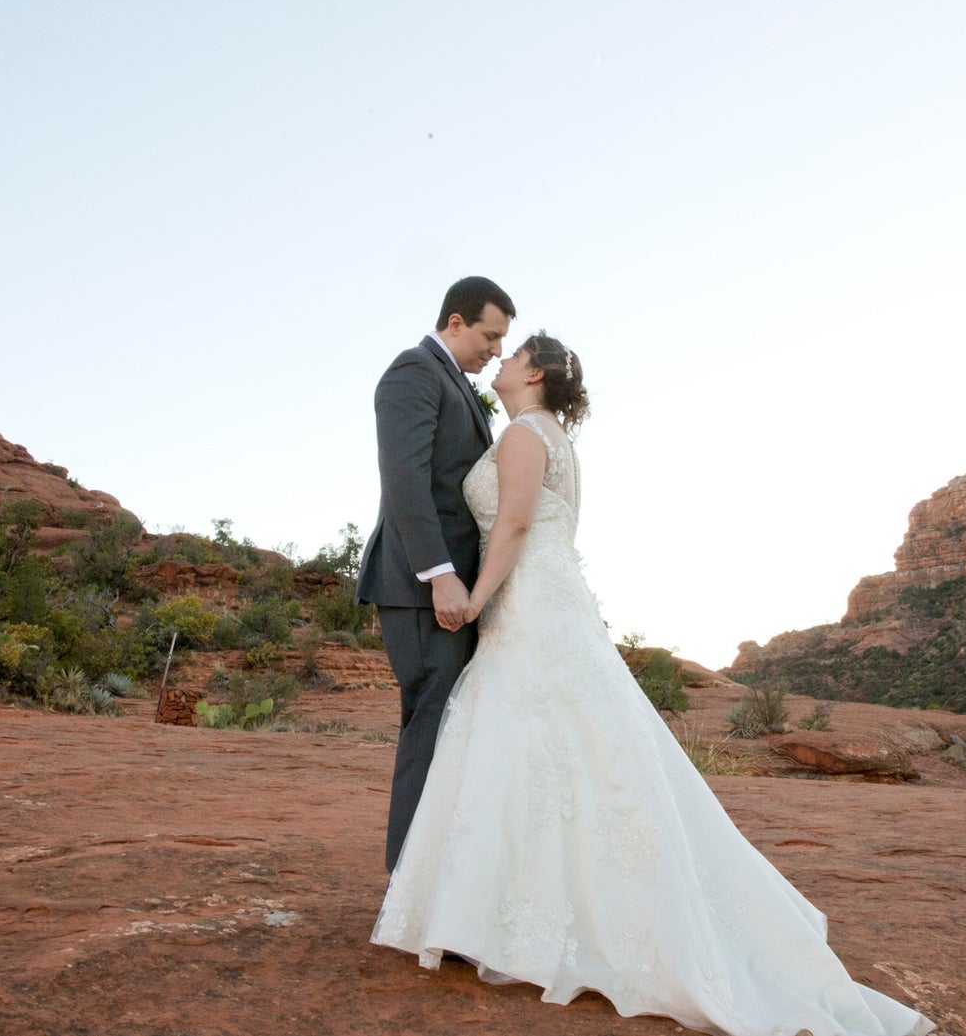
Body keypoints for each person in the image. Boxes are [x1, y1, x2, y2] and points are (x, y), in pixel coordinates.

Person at [371, 332, 933, 1036]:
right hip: (553, 597)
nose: (502, 359)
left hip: (525, 601)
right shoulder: (556, 438)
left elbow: (513, 522)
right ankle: (525, 903)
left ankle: (503, 908)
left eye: (514, 354)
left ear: (535, 372)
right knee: (574, 744)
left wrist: (478, 598)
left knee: (527, 739)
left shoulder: (521, 434)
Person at [357, 275, 514, 872]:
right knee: (431, 733)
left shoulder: (452, 382)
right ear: (455, 322)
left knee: (446, 733)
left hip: (446, 592)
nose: (496, 349)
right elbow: (406, 481)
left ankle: (433, 890)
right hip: (423, 593)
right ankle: (409, 892)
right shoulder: (413, 372)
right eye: (490, 335)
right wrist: (440, 575)